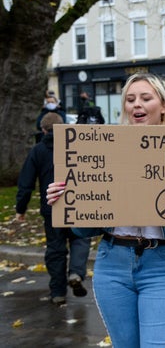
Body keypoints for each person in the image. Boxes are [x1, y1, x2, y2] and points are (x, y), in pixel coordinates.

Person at [45, 73, 165, 347]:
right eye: (130, 99)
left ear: (163, 105)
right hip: (112, 265)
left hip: (161, 265)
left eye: (145, 98)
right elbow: (83, 229)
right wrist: (68, 201)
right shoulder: (105, 150)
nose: (136, 105)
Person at [16, 112, 91, 306]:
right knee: (80, 239)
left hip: (52, 206)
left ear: (43, 130)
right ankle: (76, 272)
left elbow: (26, 183)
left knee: (55, 249)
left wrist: (20, 209)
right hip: (78, 202)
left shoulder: (38, 151)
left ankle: (57, 292)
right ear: (63, 126)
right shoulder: (77, 146)